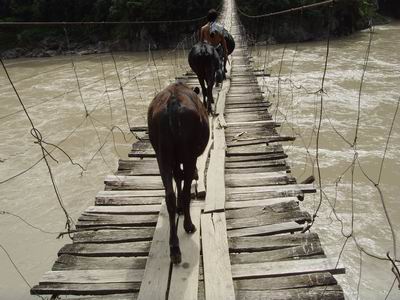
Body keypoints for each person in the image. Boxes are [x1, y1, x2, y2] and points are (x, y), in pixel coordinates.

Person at [200, 9, 228, 80]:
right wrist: (225, 51)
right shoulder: (220, 27)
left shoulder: (203, 28)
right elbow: (223, 41)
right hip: (218, 48)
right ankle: (224, 68)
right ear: (216, 17)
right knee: (222, 57)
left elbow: (201, 42)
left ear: (207, 17)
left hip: (208, 49)